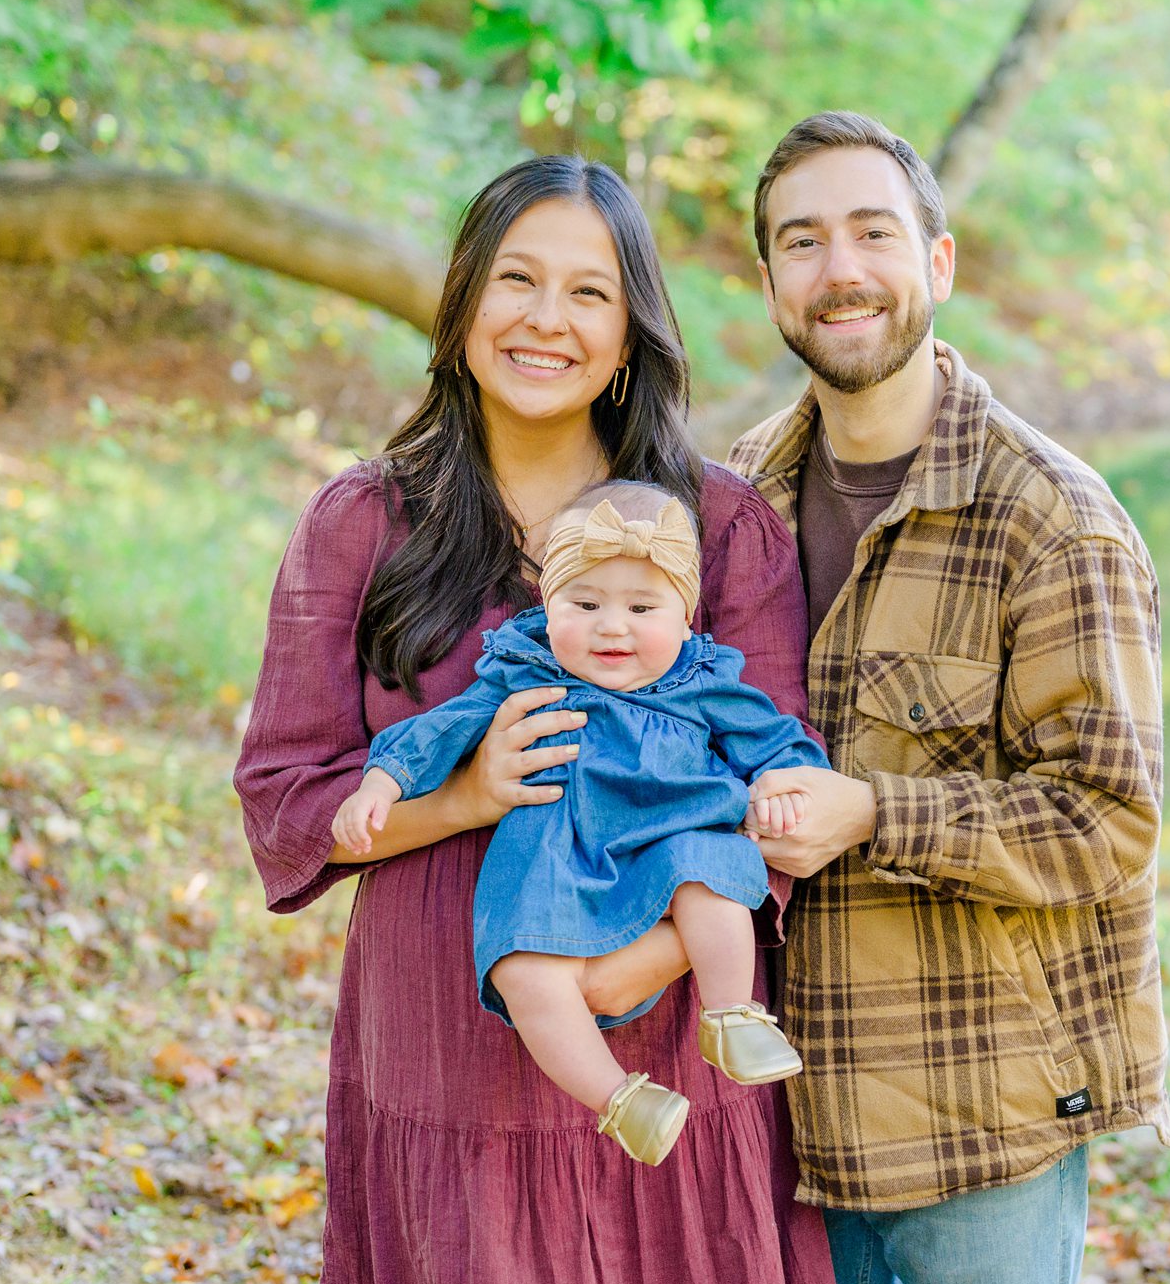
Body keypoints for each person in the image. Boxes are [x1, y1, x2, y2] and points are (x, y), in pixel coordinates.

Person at [235, 157, 848, 1284]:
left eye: (588, 293)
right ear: (466, 303)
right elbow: (286, 798)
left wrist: (646, 963)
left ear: (629, 337)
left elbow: (788, 788)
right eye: (517, 280)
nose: (545, 320)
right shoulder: (365, 523)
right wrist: (464, 793)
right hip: (448, 1050)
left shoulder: (719, 530)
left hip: (676, 1057)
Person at [727, 112, 1170, 1284]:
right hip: (780, 1112)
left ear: (939, 262)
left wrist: (875, 810)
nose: (840, 270)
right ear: (768, 282)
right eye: (801, 241)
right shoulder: (731, 505)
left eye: (874, 231)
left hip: (981, 1106)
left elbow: (1109, 824)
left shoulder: (1053, 522)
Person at [331, 480, 824, 1167]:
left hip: (670, 842)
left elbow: (777, 740)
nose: (611, 626)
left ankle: (732, 1014)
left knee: (711, 877)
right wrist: (380, 784)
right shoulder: (526, 671)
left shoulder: (701, 680)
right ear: (547, 604)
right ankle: (620, 1100)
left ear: (685, 618)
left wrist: (777, 784)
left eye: (642, 606)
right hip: (555, 864)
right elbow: (440, 730)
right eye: (584, 603)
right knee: (524, 970)